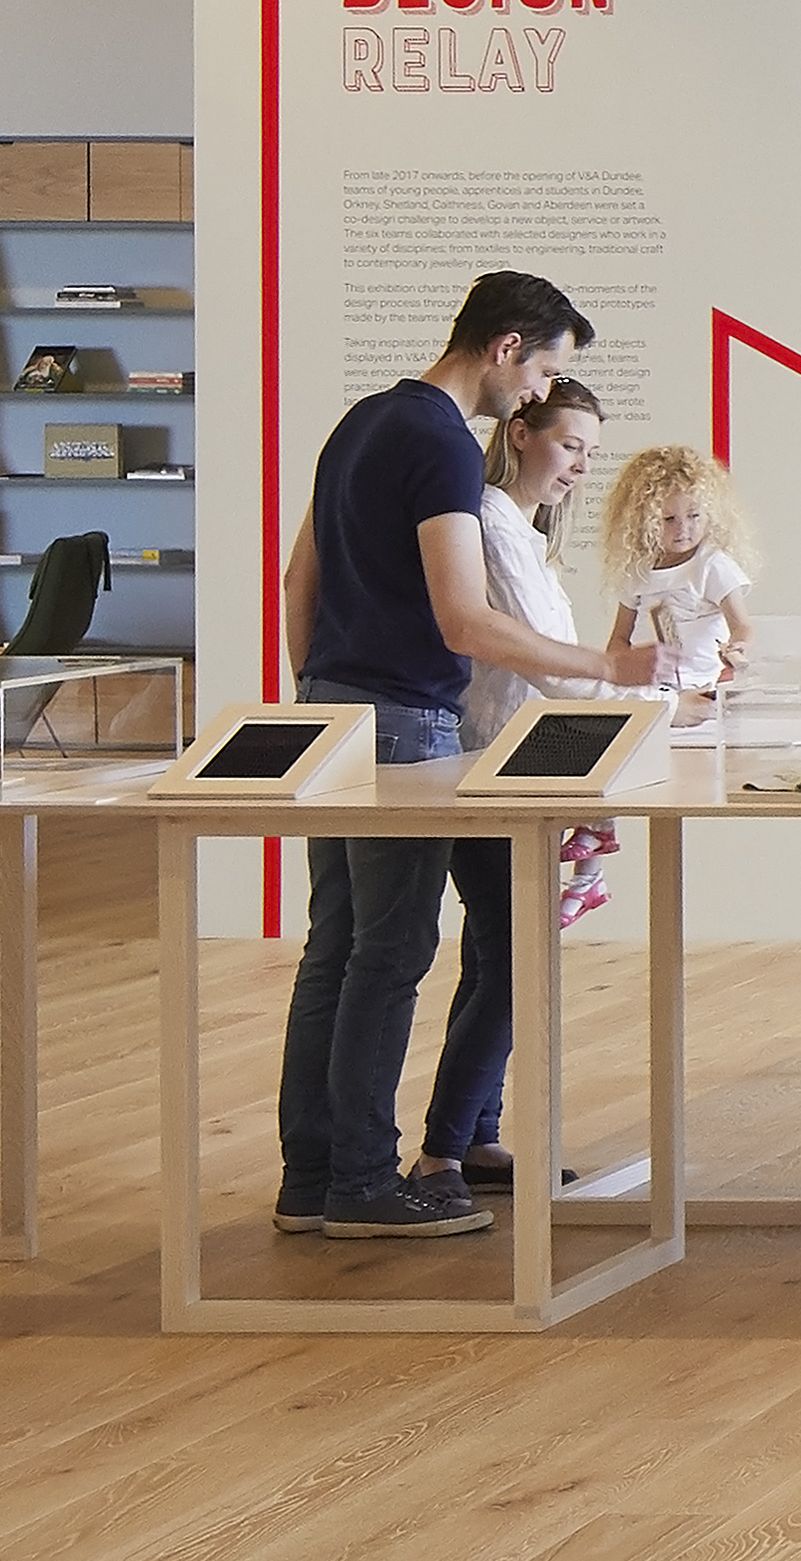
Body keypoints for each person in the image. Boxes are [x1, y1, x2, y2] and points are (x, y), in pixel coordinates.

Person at [270, 271, 606, 1243]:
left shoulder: (362, 420)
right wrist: (606, 662)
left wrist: (321, 682)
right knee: (392, 948)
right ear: (505, 347)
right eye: (544, 370)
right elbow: (466, 618)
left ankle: (312, 1173)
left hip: (330, 711)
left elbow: (300, 574)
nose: (540, 394)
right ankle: (368, 1181)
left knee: (333, 945)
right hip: (405, 720)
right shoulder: (443, 443)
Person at [416, 377, 605, 1193]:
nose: (580, 469)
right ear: (521, 434)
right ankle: (441, 1152)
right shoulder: (493, 522)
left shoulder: (524, 533)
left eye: (590, 453)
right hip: (492, 766)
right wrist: (654, 692)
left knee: (497, 954)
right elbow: (550, 669)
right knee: (515, 959)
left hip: (521, 765)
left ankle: (476, 1139)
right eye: (570, 447)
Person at [600, 439, 755, 695]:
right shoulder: (637, 570)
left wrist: (737, 647)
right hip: (648, 690)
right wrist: (617, 668)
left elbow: (742, 625)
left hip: (702, 687)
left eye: (693, 516)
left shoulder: (711, 565)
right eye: (668, 519)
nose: (682, 529)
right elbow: (619, 638)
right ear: (645, 521)